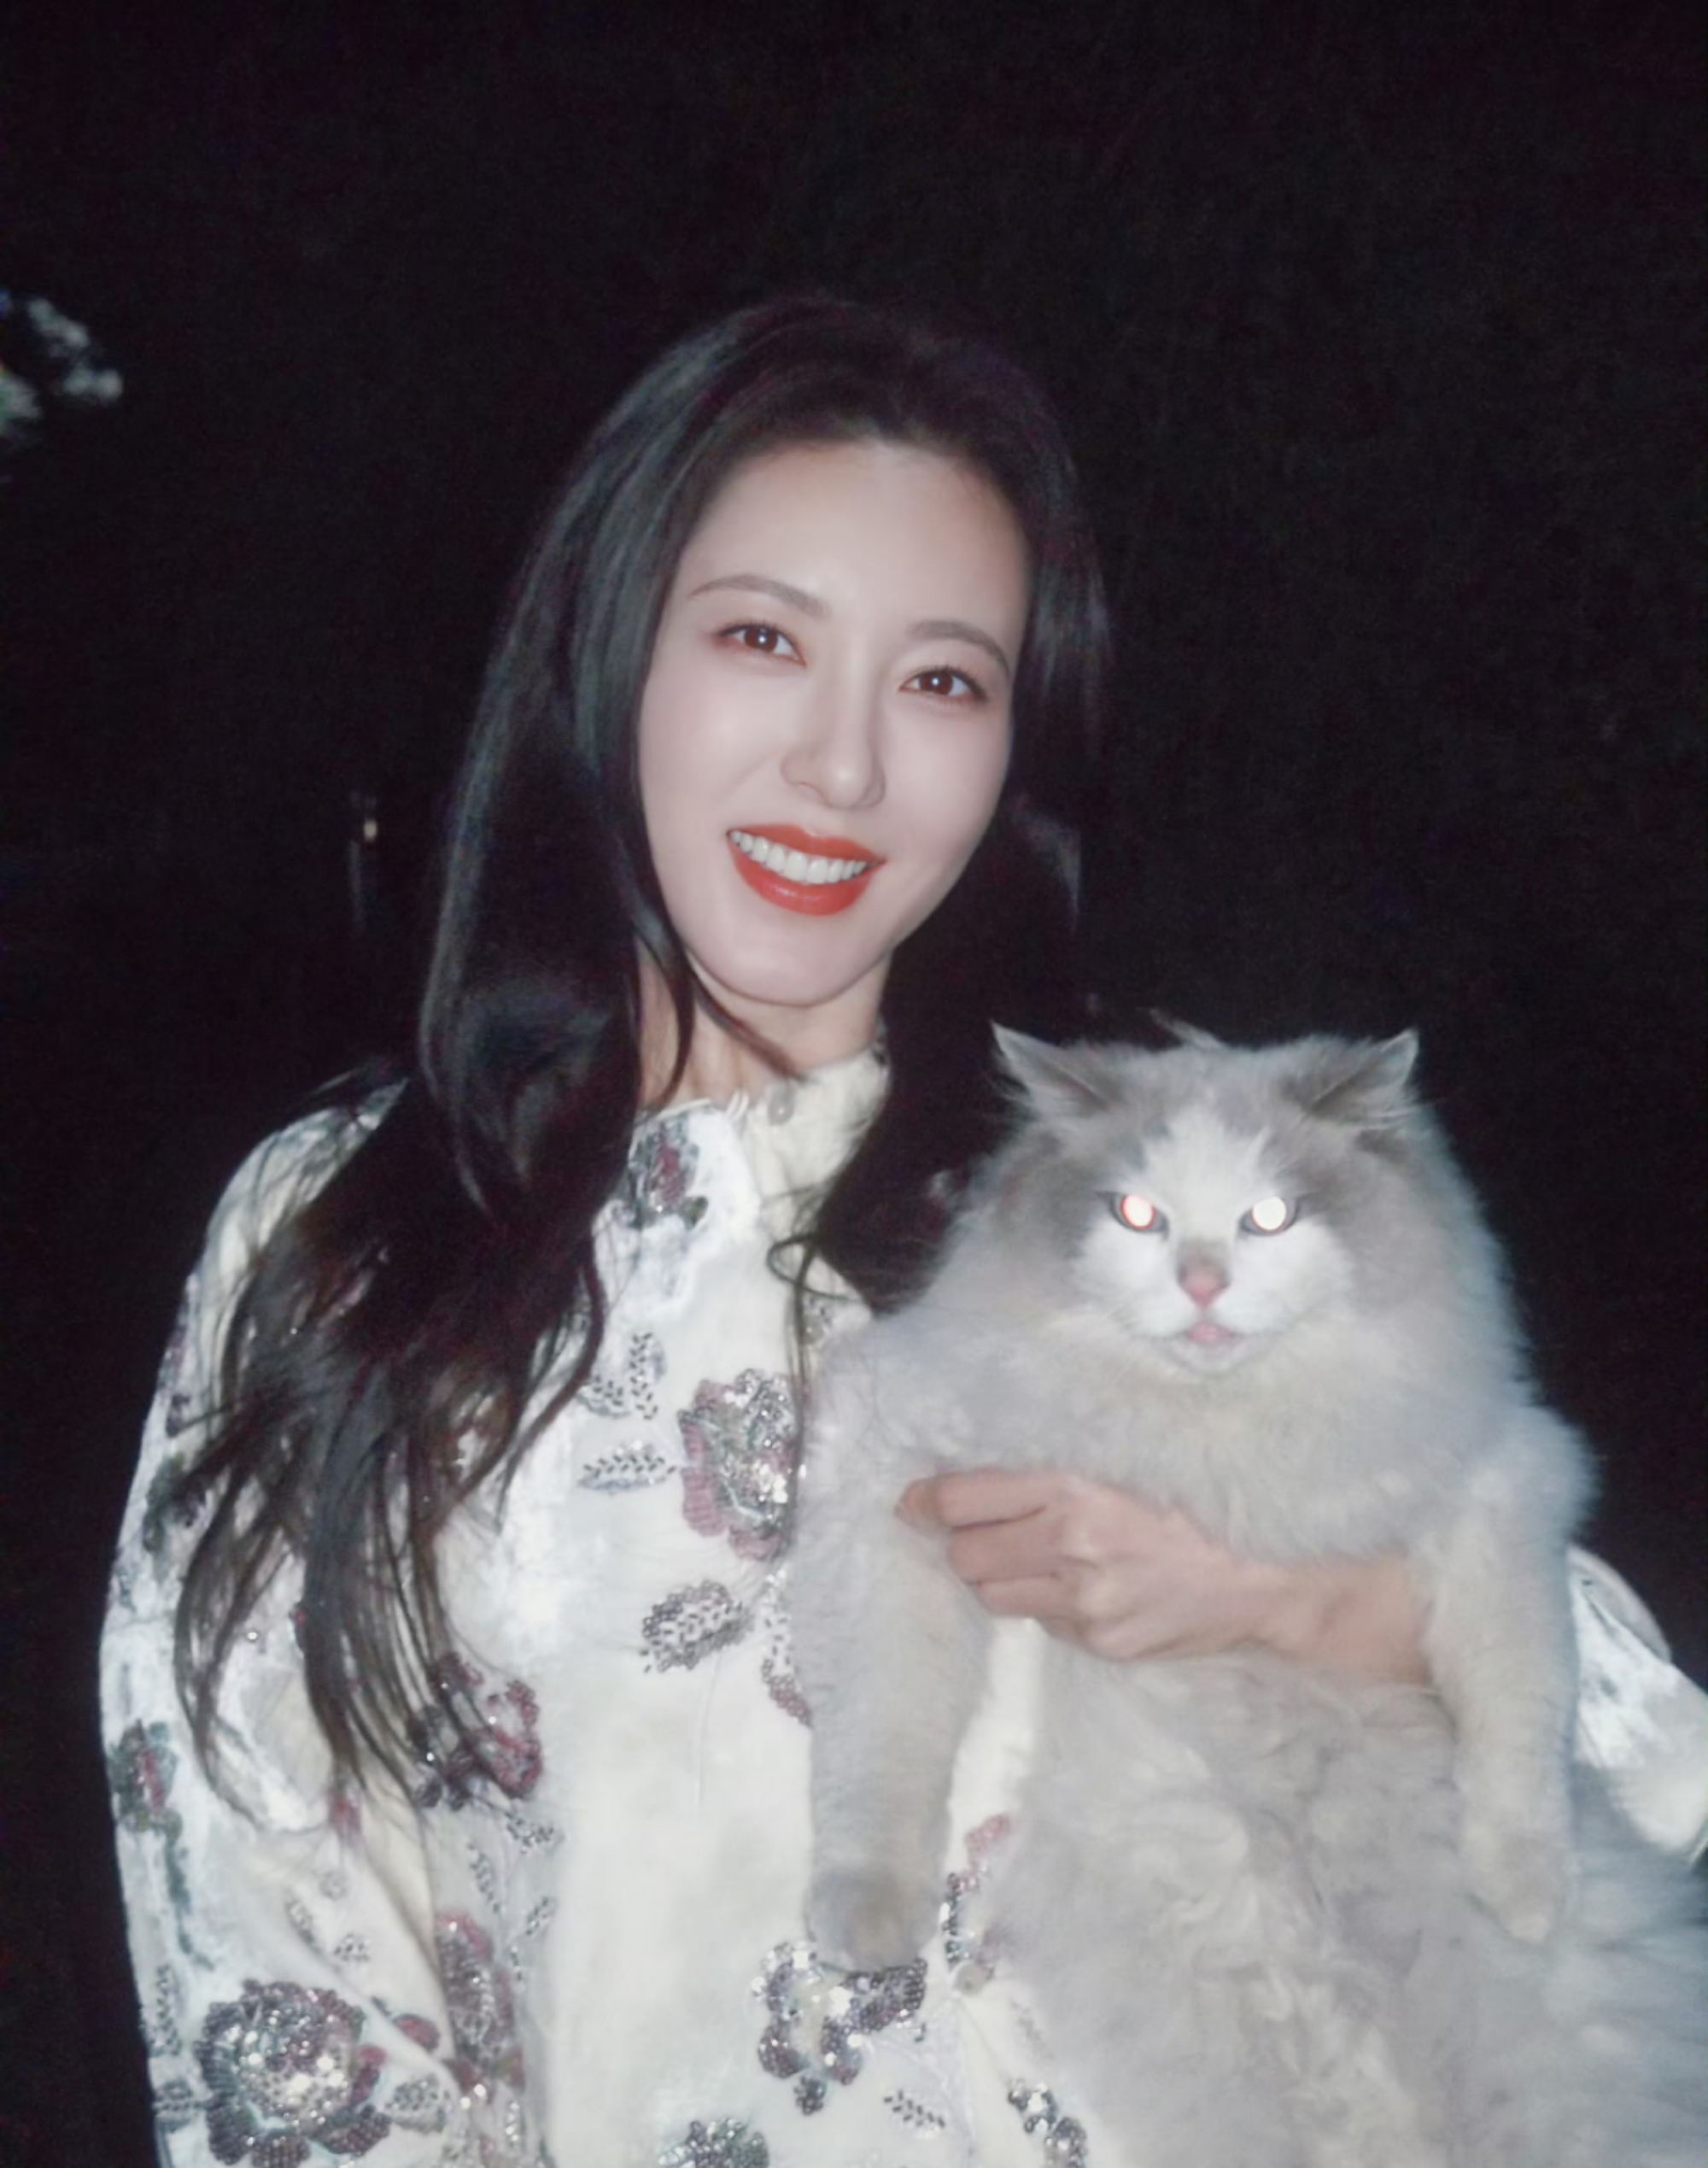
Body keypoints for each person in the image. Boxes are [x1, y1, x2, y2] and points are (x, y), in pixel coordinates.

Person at [102, 296, 1708, 2168]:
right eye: (763, 639)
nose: (844, 767)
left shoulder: (1132, 1150)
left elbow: (1643, 1745)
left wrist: (1307, 1604)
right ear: (610, 653)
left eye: (942, 681)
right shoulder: (349, 1228)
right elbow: (262, 1927)